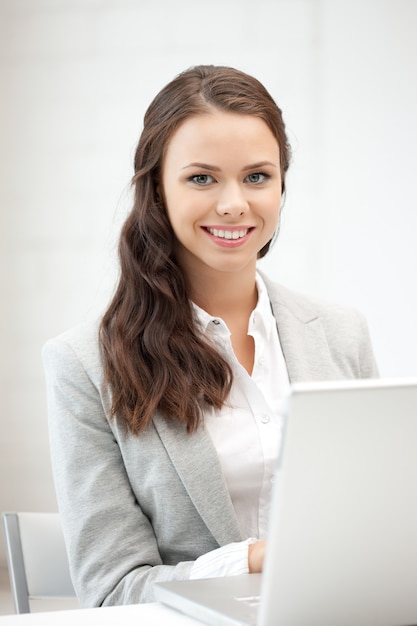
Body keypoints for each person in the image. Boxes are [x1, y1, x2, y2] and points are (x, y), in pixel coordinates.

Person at [42, 65, 378, 608]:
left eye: (257, 177)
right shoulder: (83, 365)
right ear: (156, 188)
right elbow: (112, 590)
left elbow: (375, 530)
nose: (233, 204)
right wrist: (251, 560)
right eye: (201, 178)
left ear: (282, 184)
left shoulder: (343, 334)